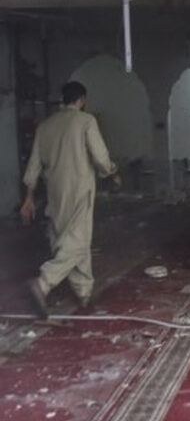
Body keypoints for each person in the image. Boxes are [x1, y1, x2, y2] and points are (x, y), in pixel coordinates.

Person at [20, 81, 121, 317]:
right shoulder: (86, 121)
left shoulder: (45, 127)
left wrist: (29, 198)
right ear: (81, 100)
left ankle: (83, 290)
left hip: (55, 193)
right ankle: (43, 283)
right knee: (78, 241)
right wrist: (112, 172)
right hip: (79, 190)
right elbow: (100, 157)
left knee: (66, 238)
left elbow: (33, 166)